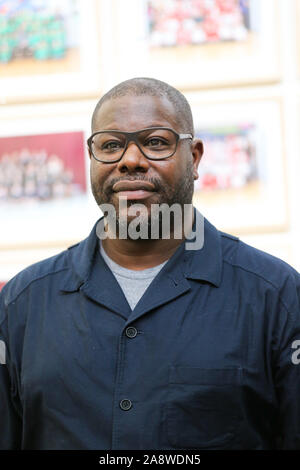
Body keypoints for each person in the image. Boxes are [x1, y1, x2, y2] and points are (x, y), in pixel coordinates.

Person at [0, 77, 299, 450]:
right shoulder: (21, 305)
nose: (130, 161)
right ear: (92, 159)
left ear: (194, 158)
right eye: (110, 145)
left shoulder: (277, 296)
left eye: (156, 142)